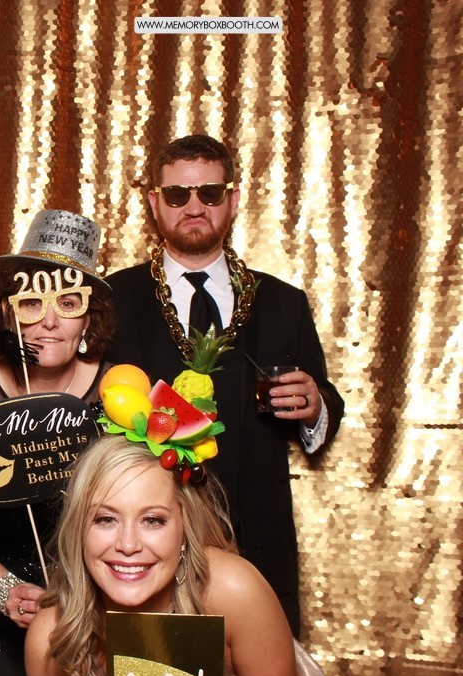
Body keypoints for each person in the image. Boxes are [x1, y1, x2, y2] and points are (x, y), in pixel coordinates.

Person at [105, 134, 344, 635]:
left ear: (233, 200)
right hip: (141, 548)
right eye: (177, 195)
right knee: (152, 666)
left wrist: (315, 405)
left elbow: (325, 402)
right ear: (154, 203)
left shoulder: (283, 302)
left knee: (262, 665)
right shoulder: (111, 298)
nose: (194, 207)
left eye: (210, 194)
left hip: (257, 538)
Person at [0, 209, 116, 676]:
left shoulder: (122, 394)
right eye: (32, 303)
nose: (49, 323)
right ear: (8, 313)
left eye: (68, 303)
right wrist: (5, 590)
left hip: (106, 596)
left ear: (88, 319)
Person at [25, 438, 316, 676]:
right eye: (106, 519)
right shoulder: (50, 638)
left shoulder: (234, 591)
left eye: (152, 520)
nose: (128, 545)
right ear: (78, 530)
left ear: (184, 527)